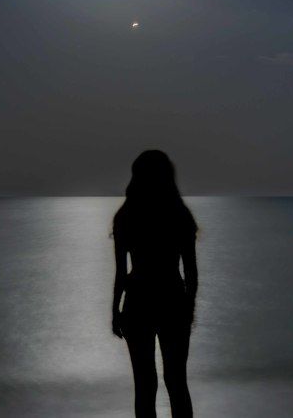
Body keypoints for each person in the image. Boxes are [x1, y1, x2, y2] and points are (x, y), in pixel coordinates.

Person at [112, 150, 198, 418]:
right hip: (173, 300)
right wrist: (189, 307)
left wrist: (115, 311)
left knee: (144, 386)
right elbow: (192, 272)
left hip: (137, 302)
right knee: (176, 382)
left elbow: (121, 273)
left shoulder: (125, 217)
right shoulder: (180, 216)